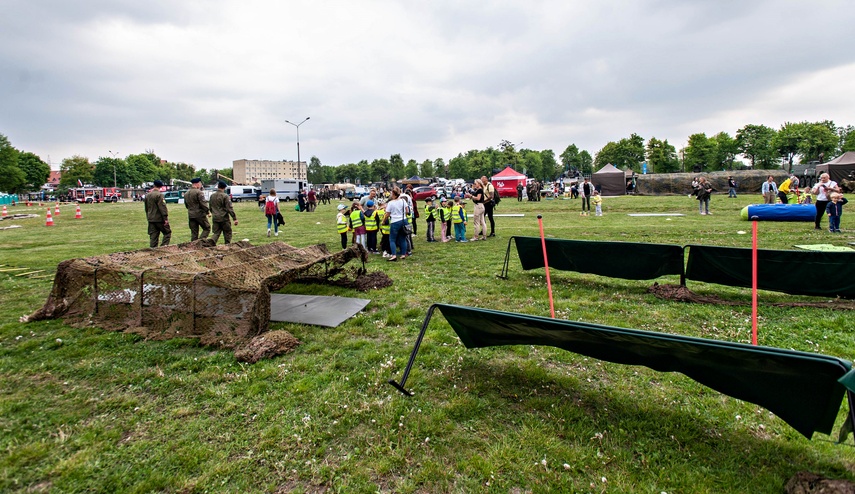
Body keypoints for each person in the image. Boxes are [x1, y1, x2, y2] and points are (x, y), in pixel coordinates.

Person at [144, 180, 171, 248]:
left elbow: (146, 208)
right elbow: (162, 207)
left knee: (153, 236)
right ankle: (163, 247)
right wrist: (165, 218)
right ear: (161, 186)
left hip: (151, 218)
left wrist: (148, 216)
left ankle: (153, 250)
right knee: (167, 233)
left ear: (154, 185)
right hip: (159, 219)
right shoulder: (159, 195)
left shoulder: (148, 195)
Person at [385, 188, 408, 261]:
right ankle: (403, 254)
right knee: (403, 238)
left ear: (393, 194)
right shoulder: (403, 201)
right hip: (404, 220)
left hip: (395, 221)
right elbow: (407, 211)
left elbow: (387, 214)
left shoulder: (390, 203)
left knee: (392, 239)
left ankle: (394, 255)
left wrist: (384, 220)